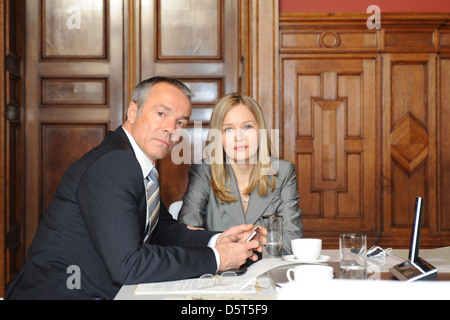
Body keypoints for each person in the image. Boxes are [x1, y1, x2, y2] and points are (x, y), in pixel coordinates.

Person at [5, 77, 266, 300]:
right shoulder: (114, 164)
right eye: (162, 114)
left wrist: (217, 240)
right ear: (133, 111)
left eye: (181, 123)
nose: (170, 129)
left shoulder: (138, 163)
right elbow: (127, 265)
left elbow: (161, 230)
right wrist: (217, 259)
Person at [178, 93, 303, 254]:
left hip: (268, 273)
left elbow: (292, 240)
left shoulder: (283, 172)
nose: (239, 137)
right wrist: (256, 243)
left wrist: (239, 246)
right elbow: (186, 237)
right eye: (228, 129)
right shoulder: (203, 172)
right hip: (222, 275)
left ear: (260, 131)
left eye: (247, 127)